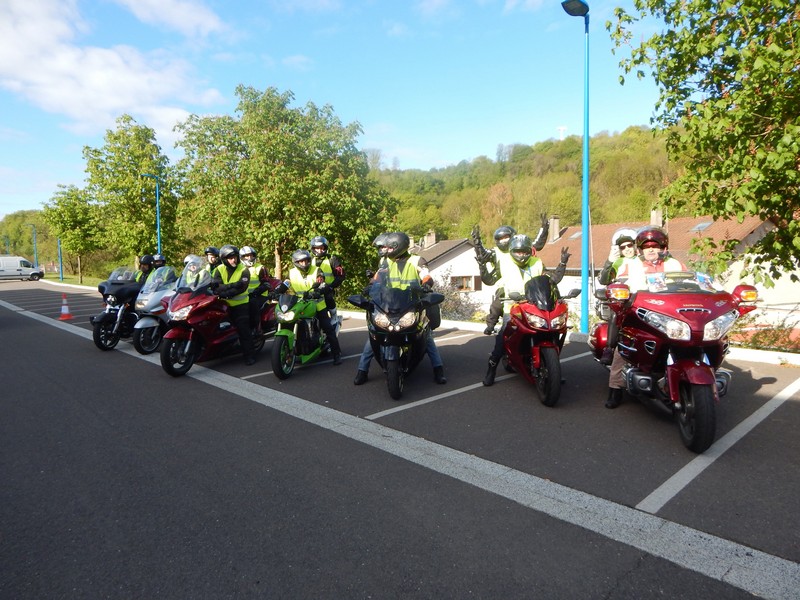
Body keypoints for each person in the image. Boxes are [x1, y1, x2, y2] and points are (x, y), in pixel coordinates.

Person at [605, 226, 687, 408]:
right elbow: (617, 283)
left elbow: (691, 283)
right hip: (639, 313)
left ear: (663, 247)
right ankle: (615, 388)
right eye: (646, 246)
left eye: (655, 246)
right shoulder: (632, 265)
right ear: (640, 249)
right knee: (624, 346)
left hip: (670, 314)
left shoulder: (675, 265)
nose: (651, 250)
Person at [354, 232, 447, 385]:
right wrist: (370, 286)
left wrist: (426, 284)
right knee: (374, 336)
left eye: (390, 248)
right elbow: (378, 277)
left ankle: (438, 370)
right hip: (390, 304)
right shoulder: (386, 261)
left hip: (413, 304)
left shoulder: (417, 260)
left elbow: (426, 275)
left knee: (426, 336)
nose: (387, 251)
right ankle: (362, 371)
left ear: (399, 247)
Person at [483, 234, 570, 386]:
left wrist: (562, 263)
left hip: (535, 306)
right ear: (512, 251)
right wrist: (482, 266)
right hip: (512, 307)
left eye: (524, 251)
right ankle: (491, 369)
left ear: (530, 251)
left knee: (552, 331)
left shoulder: (537, 262)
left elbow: (551, 280)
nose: (521, 255)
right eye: (518, 251)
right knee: (503, 338)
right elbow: (489, 280)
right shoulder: (504, 262)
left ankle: (553, 369)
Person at [286, 248, 342, 365]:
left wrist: (318, 291)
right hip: (301, 304)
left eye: (306, 261)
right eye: (301, 261)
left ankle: (336, 353)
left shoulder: (317, 270)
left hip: (317, 304)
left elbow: (321, 283)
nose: (304, 263)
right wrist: (276, 291)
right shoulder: (291, 272)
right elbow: (285, 283)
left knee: (328, 328)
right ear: (296, 262)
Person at [596, 229, 639, 365]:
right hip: (623, 303)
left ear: (635, 245)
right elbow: (603, 280)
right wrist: (609, 261)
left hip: (643, 300)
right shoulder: (616, 262)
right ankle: (609, 348)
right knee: (615, 314)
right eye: (622, 247)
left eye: (629, 245)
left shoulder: (643, 260)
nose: (627, 249)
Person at [211, 244, 257, 366]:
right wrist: (232, 286)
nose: (234, 260)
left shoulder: (244, 270)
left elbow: (241, 288)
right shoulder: (219, 269)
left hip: (241, 305)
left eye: (235, 257)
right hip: (223, 305)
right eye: (230, 258)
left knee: (243, 330)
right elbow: (215, 286)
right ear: (224, 259)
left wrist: (225, 291)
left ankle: (250, 356)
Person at [240, 245, 276, 332]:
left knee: (252, 304)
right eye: (246, 256)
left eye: (251, 255)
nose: (249, 258)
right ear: (242, 257)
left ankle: (257, 329)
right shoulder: (239, 268)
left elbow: (266, 284)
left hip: (260, 296)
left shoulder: (260, 268)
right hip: (244, 296)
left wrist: (255, 293)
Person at [309, 236, 345, 317]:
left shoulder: (332, 259)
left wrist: (331, 286)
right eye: (317, 248)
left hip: (328, 288)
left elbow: (340, 275)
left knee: (328, 298)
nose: (319, 250)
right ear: (313, 249)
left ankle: (334, 315)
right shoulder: (309, 260)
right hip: (312, 288)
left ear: (325, 248)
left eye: (321, 248)